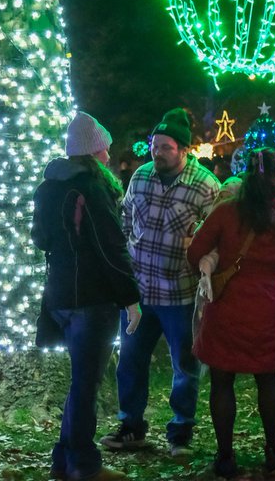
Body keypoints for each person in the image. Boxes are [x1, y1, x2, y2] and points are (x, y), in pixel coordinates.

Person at [103, 108, 222, 456]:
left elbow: (216, 239)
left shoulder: (205, 186)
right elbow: (126, 220)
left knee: (185, 364)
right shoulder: (140, 177)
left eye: (166, 147)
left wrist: (199, 254)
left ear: (184, 150)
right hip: (140, 292)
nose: (157, 152)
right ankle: (131, 426)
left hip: (181, 294)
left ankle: (180, 431)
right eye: (155, 145)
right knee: (130, 361)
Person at [31, 112, 142, 481]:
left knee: (81, 383)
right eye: (105, 149)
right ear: (94, 151)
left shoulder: (49, 187)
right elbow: (112, 246)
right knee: (86, 384)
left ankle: (63, 460)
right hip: (90, 299)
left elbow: (40, 239)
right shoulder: (91, 190)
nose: (109, 156)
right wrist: (130, 297)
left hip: (59, 296)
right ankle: (83, 463)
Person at [187, 148, 275, 479]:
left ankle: (225, 456)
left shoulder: (228, 211)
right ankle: (272, 452)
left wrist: (217, 260)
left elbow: (195, 251)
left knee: (222, 380)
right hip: (269, 305)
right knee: (268, 377)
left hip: (227, 304)